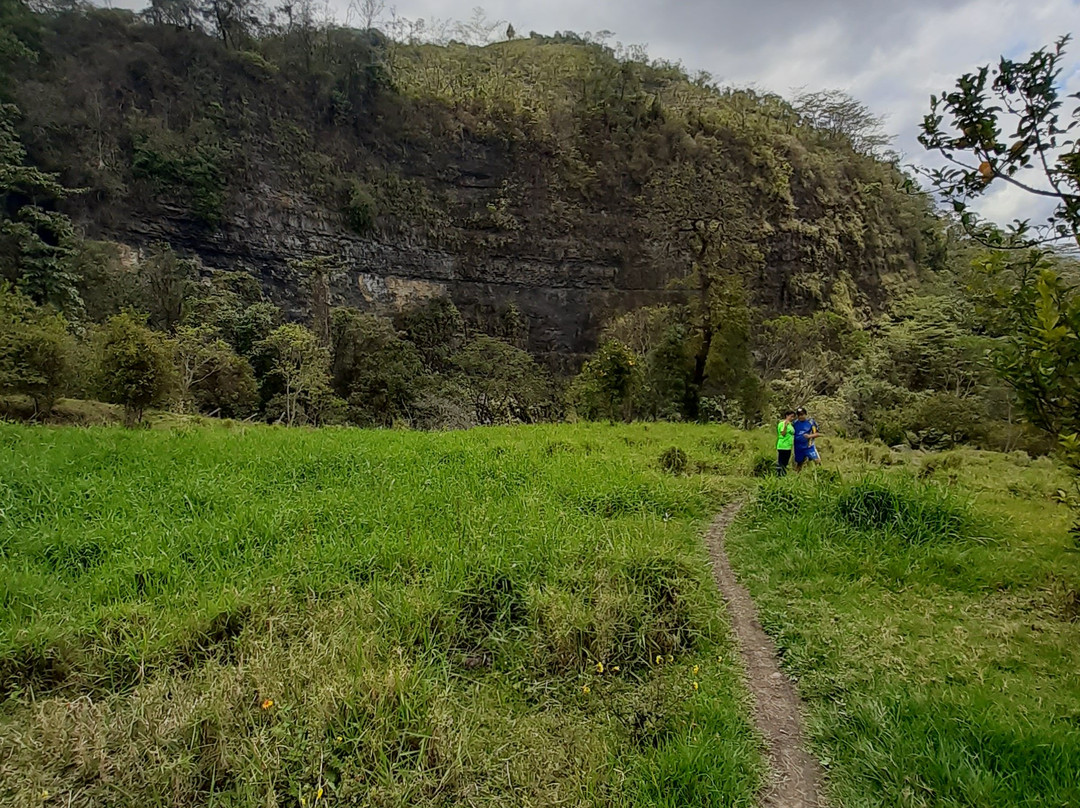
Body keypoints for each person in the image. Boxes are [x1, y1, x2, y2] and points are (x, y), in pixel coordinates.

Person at [793, 406, 822, 472]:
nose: (801, 416)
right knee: (799, 463)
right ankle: (797, 478)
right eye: (799, 415)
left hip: (808, 446)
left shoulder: (811, 422)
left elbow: (818, 434)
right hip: (798, 447)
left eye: (802, 414)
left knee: (817, 461)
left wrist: (810, 436)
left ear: (806, 414)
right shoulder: (794, 423)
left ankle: (820, 473)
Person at [776, 409, 795, 475]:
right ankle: (779, 475)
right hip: (783, 446)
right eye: (791, 416)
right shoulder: (782, 424)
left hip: (788, 446)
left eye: (793, 417)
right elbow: (783, 433)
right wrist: (785, 426)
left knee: (785, 462)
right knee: (781, 462)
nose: (792, 418)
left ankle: (783, 474)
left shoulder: (791, 425)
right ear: (787, 416)